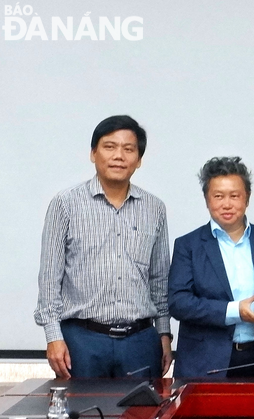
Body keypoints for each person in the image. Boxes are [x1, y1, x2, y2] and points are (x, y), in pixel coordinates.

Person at [34, 115, 172, 379]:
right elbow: (50, 279)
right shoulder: (65, 204)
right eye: (109, 146)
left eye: (128, 149)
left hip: (140, 341)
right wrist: (53, 336)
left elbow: (159, 279)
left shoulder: (154, 208)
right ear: (93, 153)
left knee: (142, 414)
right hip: (83, 341)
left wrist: (163, 333)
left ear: (139, 160)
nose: (118, 155)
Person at [168, 157, 254, 378]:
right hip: (204, 364)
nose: (226, 204)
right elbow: (179, 303)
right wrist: (235, 311)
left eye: (234, 196)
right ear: (206, 199)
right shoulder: (188, 245)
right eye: (218, 196)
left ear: (247, 198)